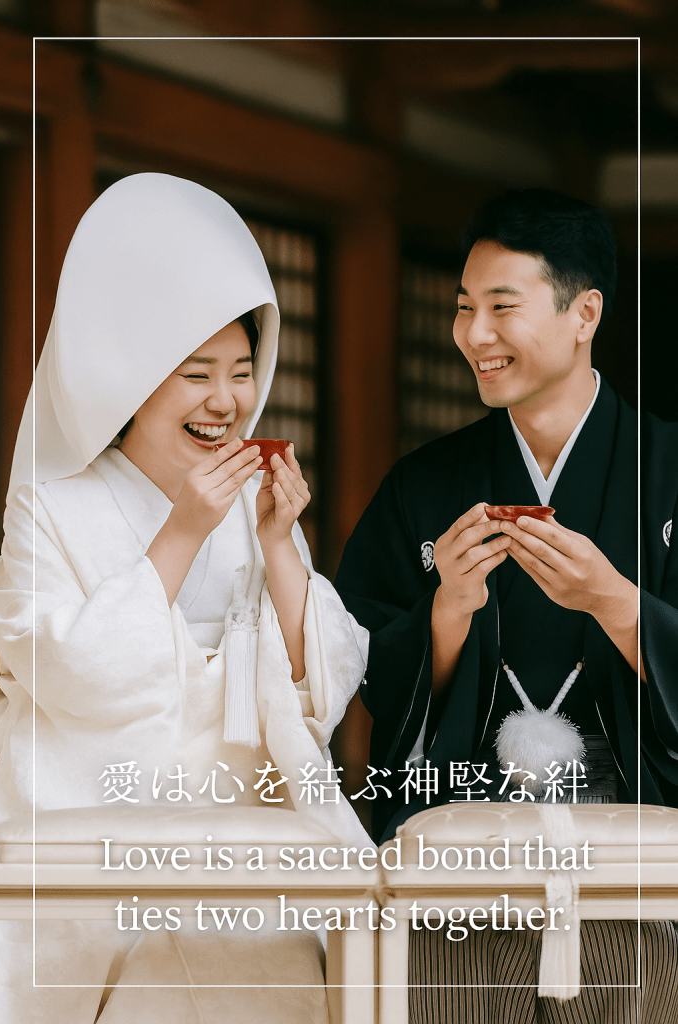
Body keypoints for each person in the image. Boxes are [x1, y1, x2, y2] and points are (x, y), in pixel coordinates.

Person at [0, 172, 368, 1022]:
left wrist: (277, 547)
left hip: (240, 851)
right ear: (130, 381)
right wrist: (180, 536)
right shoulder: (51, 504)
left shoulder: (249, 502)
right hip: (91, 830)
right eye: (196, 373)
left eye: (241, 371)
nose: (227, 401)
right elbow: (63, 673)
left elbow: (318, 695)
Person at [336, 189, 678, 1022]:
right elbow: (358, 656)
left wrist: (620, 607)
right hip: (460, 857)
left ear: (582, 312)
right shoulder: (425, 485)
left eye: (501, 306)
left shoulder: (667, 467)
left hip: (637, 860)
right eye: (463, 308)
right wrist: (448, 610)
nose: (473, 335)